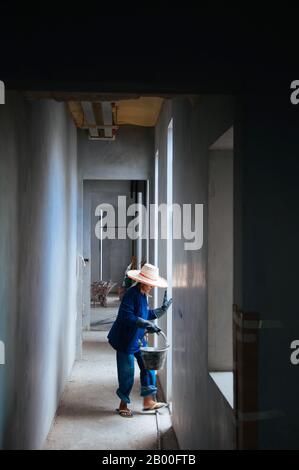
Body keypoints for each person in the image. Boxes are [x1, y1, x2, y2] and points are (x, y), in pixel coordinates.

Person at [107, 263, 172, 417]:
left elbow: (145, 313)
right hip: (125, 340)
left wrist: (160, 311)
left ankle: (148, 401)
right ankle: (123, 404)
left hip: (138, 339)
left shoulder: (143, 295)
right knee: (127, 373)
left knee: (148, 367)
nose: (152, 287)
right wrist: (146, 324)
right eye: (150, 284)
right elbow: (126, 316)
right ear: (143, 281)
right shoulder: (131, 294)